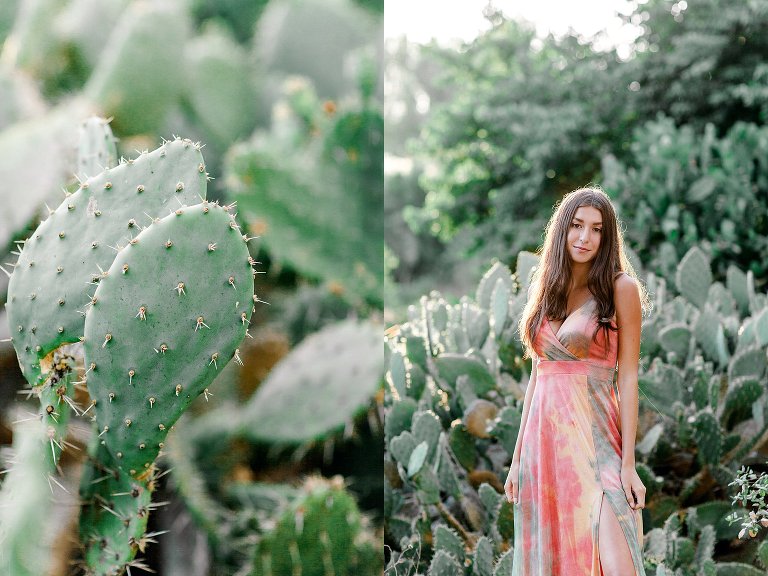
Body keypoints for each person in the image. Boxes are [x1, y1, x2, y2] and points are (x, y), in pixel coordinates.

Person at [504, 186, 651, 576]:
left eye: (597, 229)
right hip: (545, 446)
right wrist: (518, 459)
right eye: (576, 226)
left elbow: (629, 376)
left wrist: (629, 464)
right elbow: (538, 377)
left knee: (620, 565)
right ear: (562, 230)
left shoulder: (621, 289)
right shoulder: (547, 287)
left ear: (607, 238)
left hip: (597, 442)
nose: (585, 237)